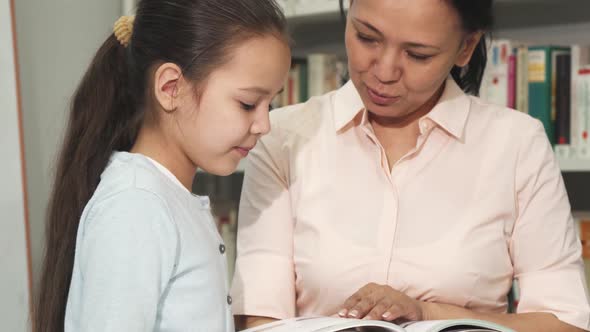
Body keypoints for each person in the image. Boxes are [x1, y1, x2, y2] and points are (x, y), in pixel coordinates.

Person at [230, 0, 590, 331]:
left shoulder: (516, 145)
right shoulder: (281, 139)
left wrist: (429, 312)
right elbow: (263, 322)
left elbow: (564, 323)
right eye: (366, 37)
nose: (384, 72)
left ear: (465, 47)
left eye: (418, 55)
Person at [33, 0, 291, 331]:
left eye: (272, 103)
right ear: (171, 88)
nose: (264, 125)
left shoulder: (163, 200)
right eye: (248, 104)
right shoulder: (136, 205)